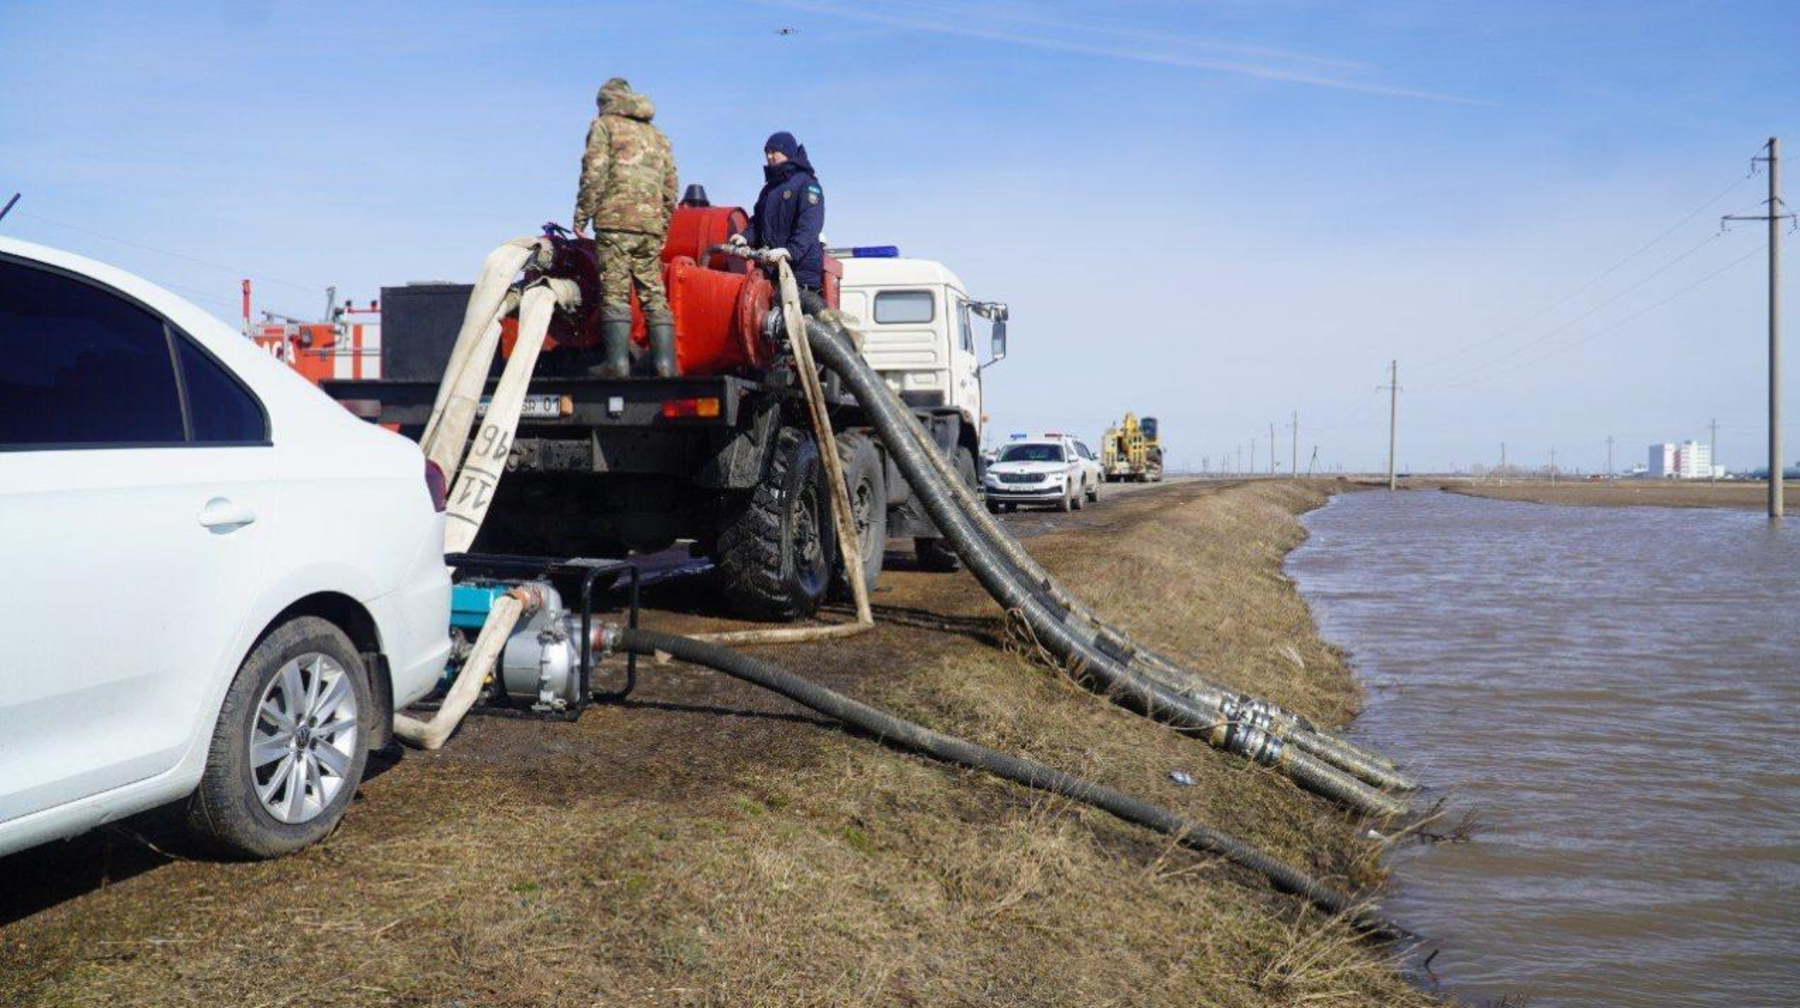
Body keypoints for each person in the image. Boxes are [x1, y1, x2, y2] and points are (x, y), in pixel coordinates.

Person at [573, 77, 679, 377]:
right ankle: (665, 364)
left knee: (616, 290)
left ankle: (617, 364)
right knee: (654, 291)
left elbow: (594, 173)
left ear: (606, 103)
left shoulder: (605, 126)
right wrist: (662, 224)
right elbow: (671, 186)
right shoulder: (657, 136)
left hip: (615, 221)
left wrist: (582, 216)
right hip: (650, 226)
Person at [728, 131, 825, 293]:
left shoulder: (806, 184)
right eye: (767, 152)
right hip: (772, 272)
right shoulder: (769, 190)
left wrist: (790, 251)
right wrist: (745, 236)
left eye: (774, 151)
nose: (769, 156)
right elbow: (758, 222)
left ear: (787, 152)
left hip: (799, 273)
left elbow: (810, 225)